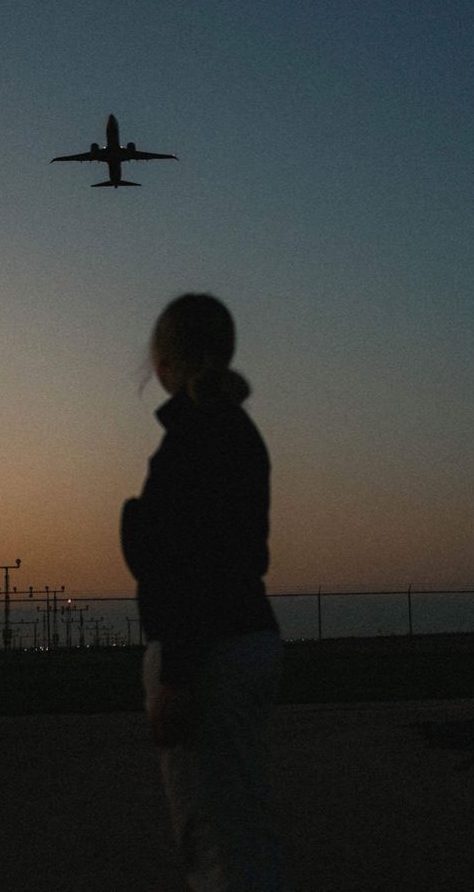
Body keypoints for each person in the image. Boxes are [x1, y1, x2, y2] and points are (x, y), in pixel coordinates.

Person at [121, 293, 286, 891]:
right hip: (246, 635)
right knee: (242, 832)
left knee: (219, 848)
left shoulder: (192, 438)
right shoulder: (237, 431)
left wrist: (177, 677)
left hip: (210, 652)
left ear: (164, 363)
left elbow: (194, 565)